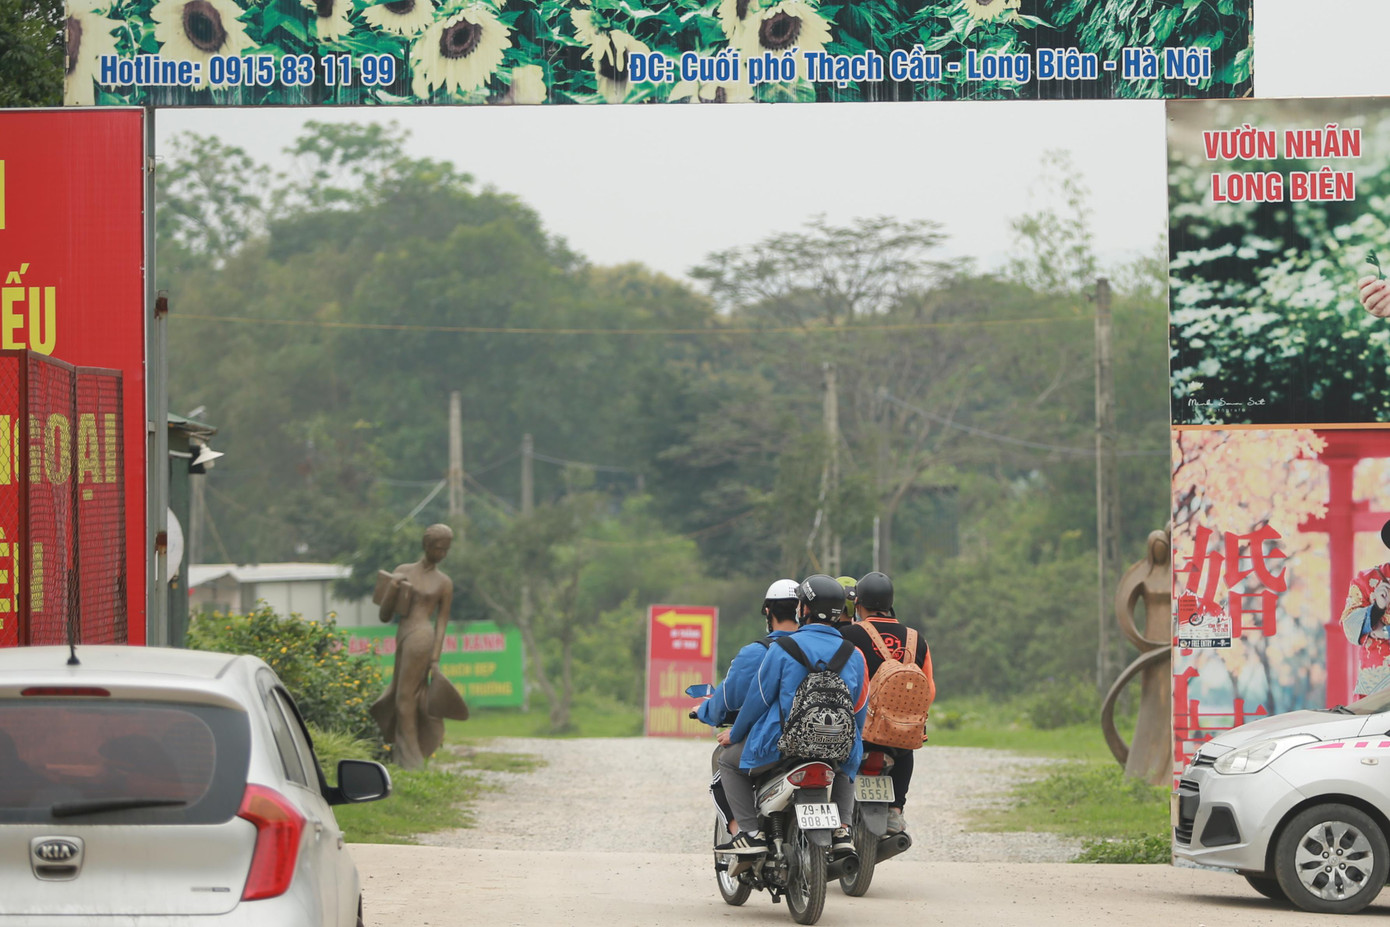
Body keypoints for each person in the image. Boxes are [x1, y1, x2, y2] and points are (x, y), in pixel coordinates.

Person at [715, 573, 869, 857]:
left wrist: (734, 734)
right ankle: (843, 829)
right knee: (850, 756)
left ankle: (750, 833)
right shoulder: (854, 654)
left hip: (783, 744)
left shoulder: (783, 648)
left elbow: (757, 701)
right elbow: (859, 710)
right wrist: (853, 742)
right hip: (834, 745)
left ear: (804, 610)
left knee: (727, 762)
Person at [697, 579, 801, 836]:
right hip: (821, 738)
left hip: (774, 741)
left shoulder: (758, 653)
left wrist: (705, 711)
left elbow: (729, 700)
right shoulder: (822, 648)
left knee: (727, 762)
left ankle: (745, 832)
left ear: (768, 611)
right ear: (802, 610)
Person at [838, 571, 935, 835]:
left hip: (860, 732)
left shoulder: (849, 635)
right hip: (898, 735)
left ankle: (839, 819)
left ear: (858, 605)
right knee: (905, 750)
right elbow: (929, 689)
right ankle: (895, 811)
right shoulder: (917, 639)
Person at [370, 523, 456, 769]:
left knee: (405, 698)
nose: (442, 554)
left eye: (446, 550)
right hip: (403, 634)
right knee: (400, 694)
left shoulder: (444, 582)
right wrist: (394, 586)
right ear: (427, 546)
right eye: (439, 548)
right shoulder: (403, 571)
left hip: (422, 637)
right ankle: (405, 755)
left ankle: (411, 760)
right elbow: (385, 616)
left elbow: (441, 622)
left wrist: (435, 659)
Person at [1339, 518, 1390, 698]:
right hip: (1377, 683)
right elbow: (1349, 625)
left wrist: (1385, 631)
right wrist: (1377, 608)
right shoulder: (1368, 580)